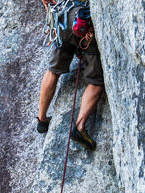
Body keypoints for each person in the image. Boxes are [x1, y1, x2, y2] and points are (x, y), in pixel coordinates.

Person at [38, 0, 104, 150]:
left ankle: (42, 119)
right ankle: (80, 127)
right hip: (82, 22)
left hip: (62, 16)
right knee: (96, 81)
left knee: (53, 71)